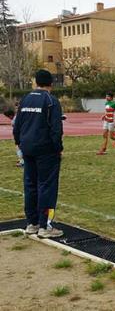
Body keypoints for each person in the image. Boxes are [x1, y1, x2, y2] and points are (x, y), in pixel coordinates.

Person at [13, 69, 64, 238]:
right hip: (46, 150)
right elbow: (56, 129)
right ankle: (45, 225)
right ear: (51, 83)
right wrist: (58, 148)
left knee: (30, 185)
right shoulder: (51, 101)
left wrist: (19, 143)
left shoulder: (25, 99)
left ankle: (32, 223)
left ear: (36, 82)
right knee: (47, 186)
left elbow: (17, 125)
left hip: (27, 147)